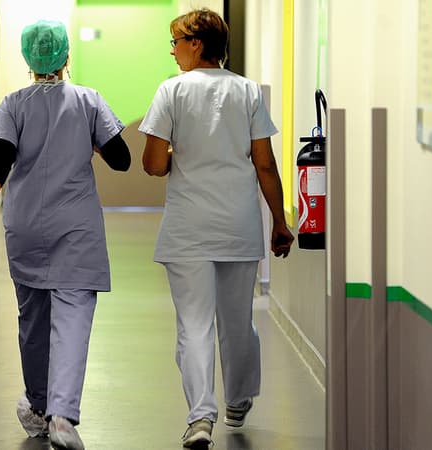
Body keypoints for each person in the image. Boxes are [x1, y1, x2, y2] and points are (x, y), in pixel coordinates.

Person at [0, 19, 130, 450]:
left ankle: (39, 408)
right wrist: (91, 140)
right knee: (73, 318)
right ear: (65, 57)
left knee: (33, 320)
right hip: (75, 225)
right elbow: (121, 159)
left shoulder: (13, 104)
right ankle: (62, 415)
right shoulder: (87, 101)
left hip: (24, 224)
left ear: (28, 60)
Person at [139, 8, 294, 448]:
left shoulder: (171, 92)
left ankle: (200, 417)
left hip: (188, 228)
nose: (172, 51)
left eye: (176, 42)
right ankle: (239, 399)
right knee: (237, 322)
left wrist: (176, 156)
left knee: (194, 325)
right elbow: (264, 162)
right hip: (238, 225)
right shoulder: (246, 91)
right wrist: (279, 223)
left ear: (197, 44)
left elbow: (152, 164)